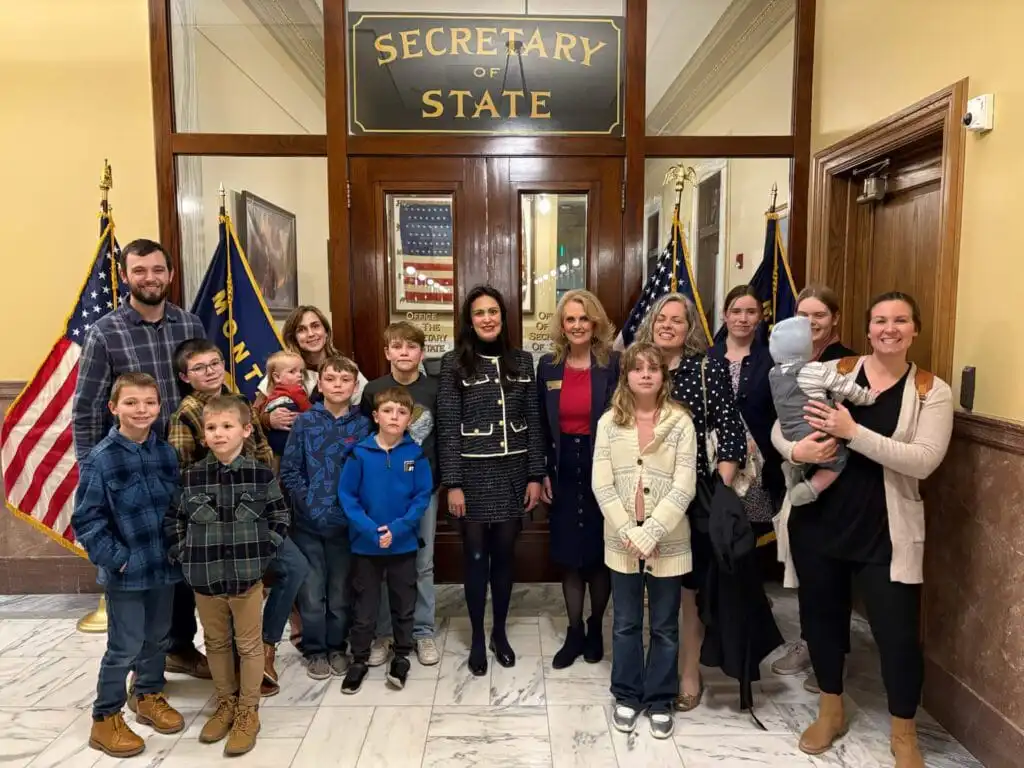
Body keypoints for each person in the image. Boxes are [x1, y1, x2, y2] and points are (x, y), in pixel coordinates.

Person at [771, 292, 953, 767]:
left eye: (900, 321)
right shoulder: (842, 369)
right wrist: (796, 453)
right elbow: (782, 422)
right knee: (822, 624)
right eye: (879, 320)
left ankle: (903, 733)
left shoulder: (931, 390)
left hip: (885, 533)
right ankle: (830, 709)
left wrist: (854, 433)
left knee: (896, 635)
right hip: (820, 524)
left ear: (915, 329)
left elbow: (924, 461)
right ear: (868, 328)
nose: (888, 329)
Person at [72, 238, 209, 679]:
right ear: (126, 276)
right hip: (129, 468)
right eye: (139, 271)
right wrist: (93, 471)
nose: (149, 278)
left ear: (170, 274)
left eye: (157, 270)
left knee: (179, 558)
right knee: (140, 564)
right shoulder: (105, 332)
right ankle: (140, 668)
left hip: (183, 463)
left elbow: (204, 388)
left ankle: (180, 647)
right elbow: (88, 407)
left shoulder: (189, 324)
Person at [167, 337, 308, 697]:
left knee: (294, 566)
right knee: (231, 593)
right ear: (186, 376)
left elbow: (260, 450)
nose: (210, 371)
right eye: (199, 367)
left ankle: (265, 647)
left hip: (254, 511)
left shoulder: (240, 402)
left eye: (214, 363)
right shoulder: (186, 414)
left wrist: (256, 491)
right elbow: (183, 476)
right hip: (214, 524)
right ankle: (233, 678)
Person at [634, 292, 745, 710]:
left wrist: (719, 492)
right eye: (661, 318)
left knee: (687, 588)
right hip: (642, 492)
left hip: (693, 494)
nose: (667, 325)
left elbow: (731, 432)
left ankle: (688, 670)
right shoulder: (638, 366)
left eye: (677, 320)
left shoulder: (707, 367)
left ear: (689, 328)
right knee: (648, 584)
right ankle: (653, 663)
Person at [165, 396, 290, 757]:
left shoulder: (260, 473)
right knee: (216, 642)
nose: (219, 434)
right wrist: (183, 552)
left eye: (227, 426)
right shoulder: (191, 477)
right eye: (212, 428)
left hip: (247, 577)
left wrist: (265, 551)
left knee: (249, 645)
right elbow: (174, 520)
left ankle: (248, 710)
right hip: (205, 575)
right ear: (204, 435)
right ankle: (226, 703)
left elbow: (280, 515)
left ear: (246, 430)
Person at [71, 373, 185, 758]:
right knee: (124, 645)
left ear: (159, 406)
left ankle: (148, 693)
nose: (142, 410)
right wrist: (118, 560)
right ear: (114, 407)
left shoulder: (165, 453)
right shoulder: (100, 459)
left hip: (164, 566)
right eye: (132, 403)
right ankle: (105, 718)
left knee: (158, 636)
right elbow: (86, 520)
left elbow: (175, 508)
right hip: (127, 572)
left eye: (150, 403)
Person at [437, 285, 545, 676]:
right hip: (471, 476)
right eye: (479, 313)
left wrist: (535, 475)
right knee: (475, 558)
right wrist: (453, 483)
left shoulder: (522, 362)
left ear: (503, 317)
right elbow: (448, 425)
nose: (487, 319)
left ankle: (499, 632)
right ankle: (477, 640)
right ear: (470, 320)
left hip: (513, 475)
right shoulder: (454, 363)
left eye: (493, 312)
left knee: (504, 557)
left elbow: (533, 421)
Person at [592, 342, 697, 740]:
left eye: (653, 368)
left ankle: (659, 698)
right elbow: (601, 484)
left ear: (663, 375)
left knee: (666, 625)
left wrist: (652, 531)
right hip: (622, 540)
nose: (646, 374)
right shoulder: (609, 423)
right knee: (625, 622)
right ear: (627, 377)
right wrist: (629, 532)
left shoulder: (680, 421)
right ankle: (627, 694)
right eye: (637, 369)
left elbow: (685, 484)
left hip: (667, 540)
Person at [253, 305, 367, 649]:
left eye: (316, 326)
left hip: (341, 493)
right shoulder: (285, 368)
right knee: (307, 572)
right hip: (300, 480)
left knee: (339, 582)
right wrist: (266, 421)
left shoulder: (348, 372)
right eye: (302, 329)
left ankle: (338, 639)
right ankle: (306, 632)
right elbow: (254, 414)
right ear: (293, 336)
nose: (310, 334)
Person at [772, 284, 857, 685]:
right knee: (809, 569)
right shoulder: (788, 362)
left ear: (834, 318)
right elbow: (777, 422)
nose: (811, 322)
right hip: (801, 472)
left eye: (819, 315)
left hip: (840, 482)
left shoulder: (846, 363)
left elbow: (850, 418)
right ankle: (811, 643)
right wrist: (793, 450)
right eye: (803, 315)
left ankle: (830, 658)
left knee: (832, 577)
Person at [536, 289, 619, 669]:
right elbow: (539, 426)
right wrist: (542, 471)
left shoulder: (614, 364)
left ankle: (595, 627)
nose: (577, 325)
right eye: (570, 319)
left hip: (605, 464)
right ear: (562, 325)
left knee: (600, 556)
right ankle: (573, 632)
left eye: (584, 318)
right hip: (564, 464)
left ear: (595, 322)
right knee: (571, 555)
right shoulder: (549, 367)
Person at [280, 355, 371, 680]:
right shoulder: (305, 422)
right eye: (330, 379)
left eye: (344, 380)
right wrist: (309, 504)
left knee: (340, 592)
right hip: (308, 525)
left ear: (354, 385)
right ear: (320, 384)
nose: (337, 385)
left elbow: (369, 471)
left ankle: (336, 647)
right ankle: (315, 650)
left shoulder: (363, 425)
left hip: (347, 525)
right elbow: (290, 471)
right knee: (312, 593)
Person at [339, 387, 433, 694]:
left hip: (402, 543)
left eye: (402, 412)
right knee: (365, 605)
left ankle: (402, 655)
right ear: (376, 416)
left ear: (409, 420)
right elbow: (348, 497)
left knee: (404, 603)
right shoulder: (359, 453)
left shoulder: (415, 455)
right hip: (366, 545)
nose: (395, 417)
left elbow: (421, 499)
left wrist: (397, 529)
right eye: (388, 411)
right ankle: (360, 659)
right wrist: (371, 530)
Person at [360, 321, 441, 667]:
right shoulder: (373, 390)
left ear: (421, 353)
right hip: (380, 491)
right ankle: (383, 633)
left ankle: (421, 631)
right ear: (387, 352)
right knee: (381, 561)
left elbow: (447, 438)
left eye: (411, 346)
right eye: (397, 346)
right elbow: (364, 440)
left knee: (422, 564)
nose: (404, 352)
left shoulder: (436, 389)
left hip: (424, 490)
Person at [768, 316, 877, 505]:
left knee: (810, 457)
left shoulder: (773, 374)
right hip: (816, 430)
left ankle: (794, 469)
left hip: (788, 433)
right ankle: (810, 489)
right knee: (837, 460)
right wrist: (866, 397)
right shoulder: (814, 370)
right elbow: (845, 387)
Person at [257, 350, 312, 462]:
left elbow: (262, 408)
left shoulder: (272, 394)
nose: (299, 376)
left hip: (273, 446)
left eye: (300, 372)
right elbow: (309, 410)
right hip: (290, 444)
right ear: (277, 377)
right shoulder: (296, 390)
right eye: (292, 372)